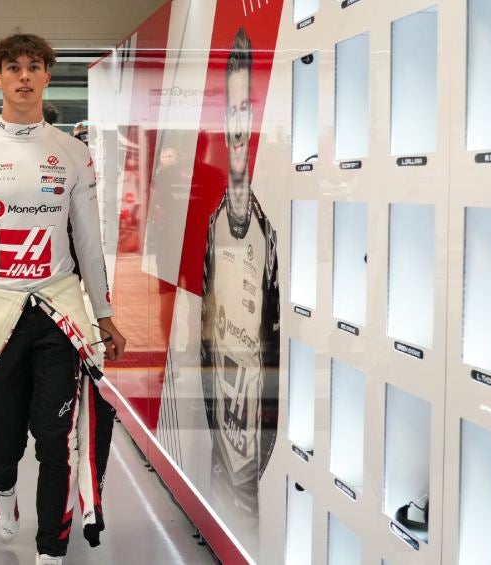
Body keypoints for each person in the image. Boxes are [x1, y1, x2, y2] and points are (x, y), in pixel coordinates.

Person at [0, 34, 125, 565]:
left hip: (59, 311)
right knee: (3, 444)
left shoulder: (74, 154)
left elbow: (88, 243)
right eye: (12, 67)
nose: (23, 76)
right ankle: (5, 491)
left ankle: (50, 551)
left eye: (33, 67)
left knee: (56, 439)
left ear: (46, 77)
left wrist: (104, 314)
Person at [199, 27, 280, 528]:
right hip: (220, 426)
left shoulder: (265, 234)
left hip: (251, 431)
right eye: (229, 112)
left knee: (244, 519)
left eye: (243, 111)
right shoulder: (214, 225)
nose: (235, 124)